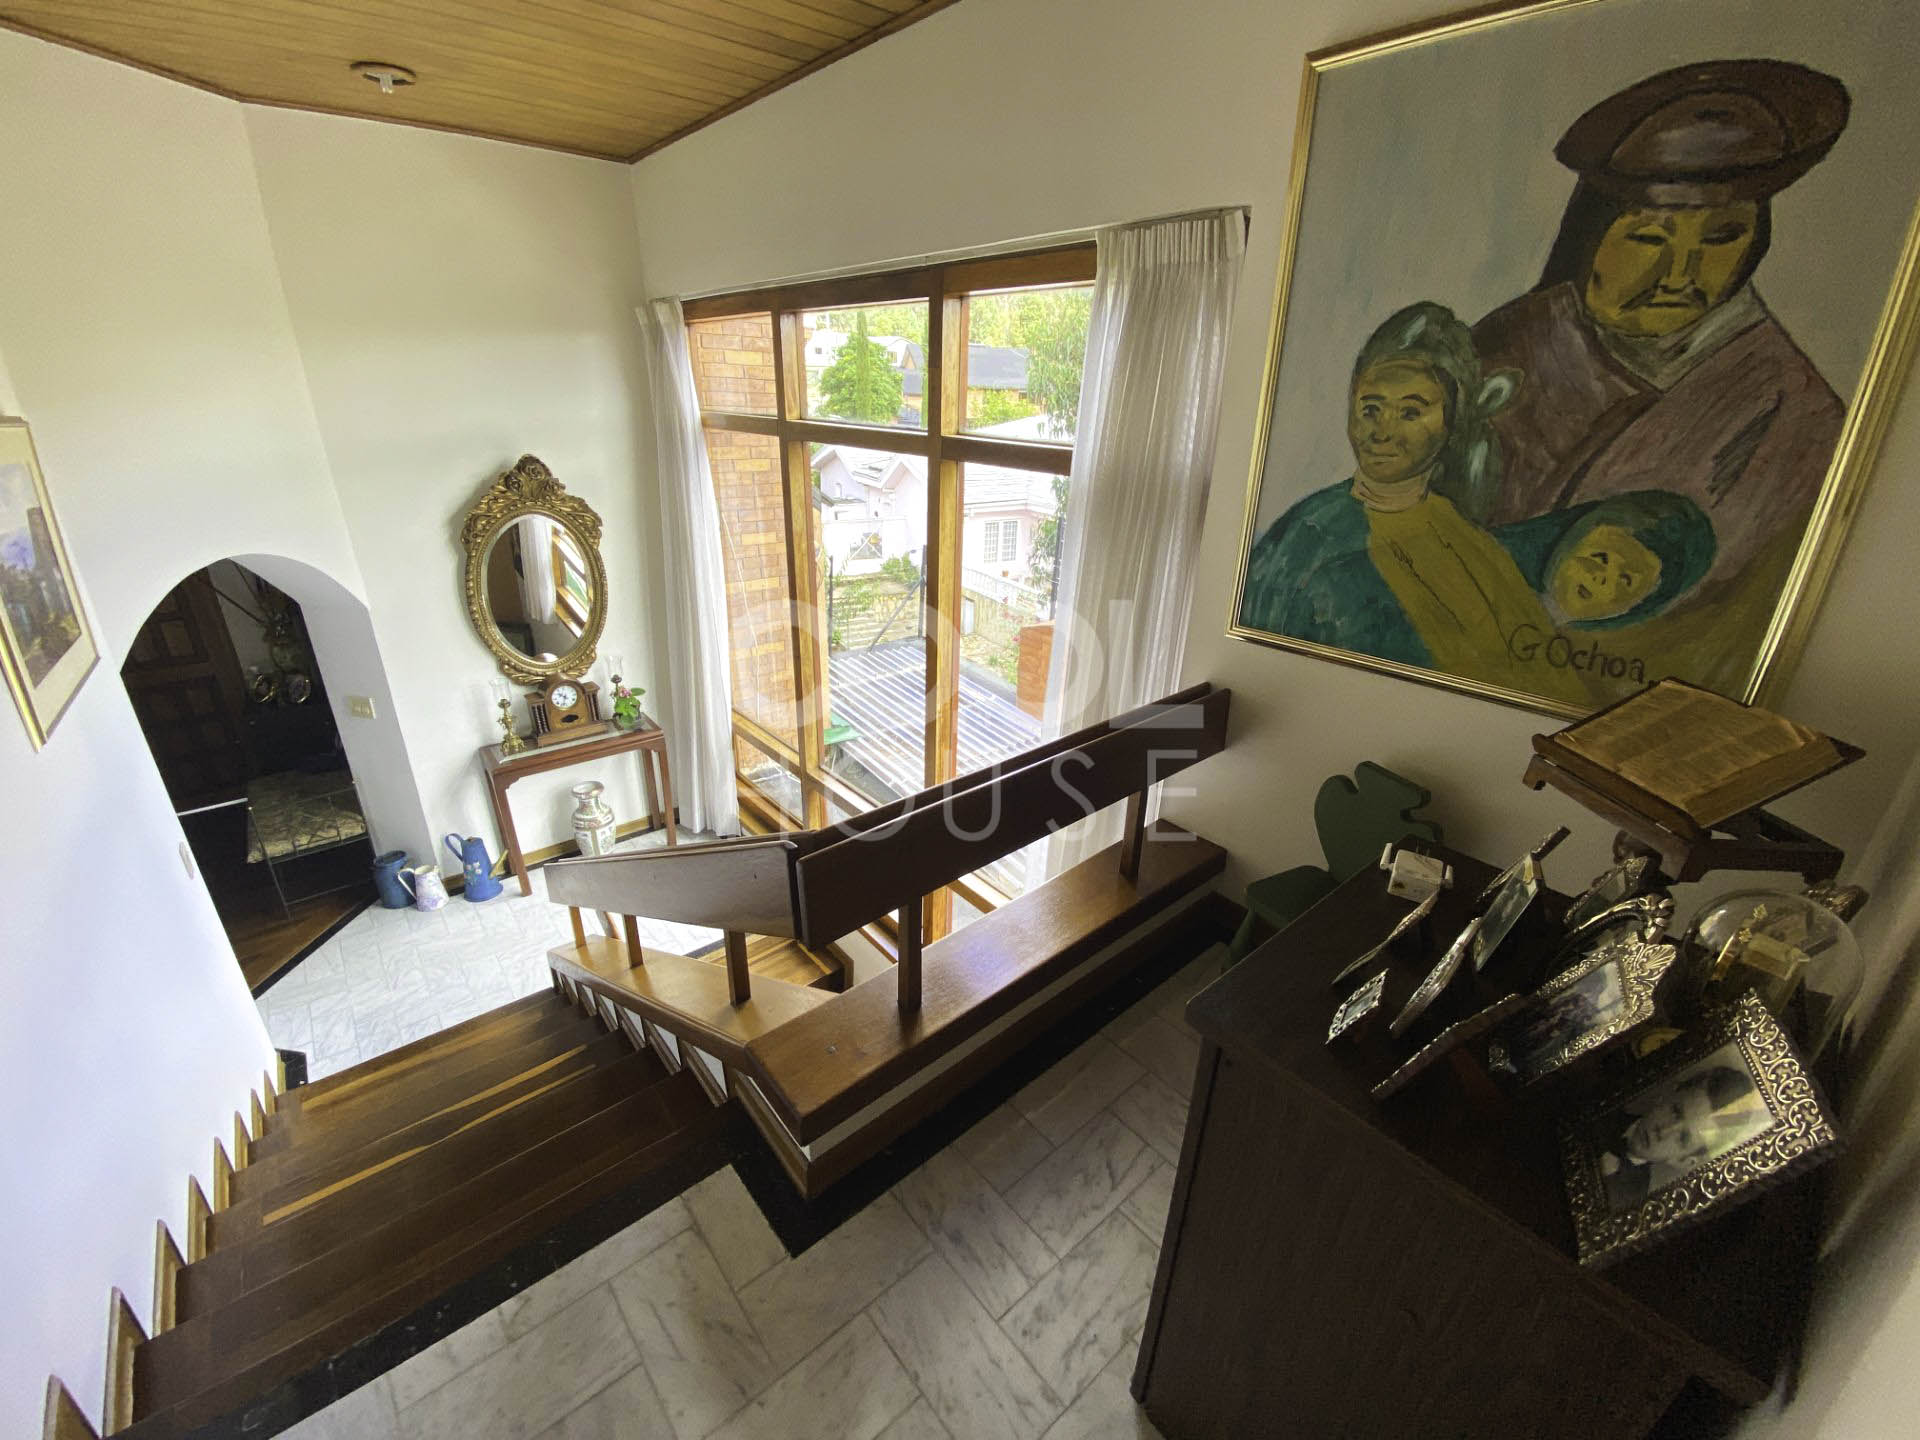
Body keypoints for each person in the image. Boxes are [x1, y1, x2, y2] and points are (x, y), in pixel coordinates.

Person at [1474, 59, 1851, 649]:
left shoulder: (1792, 413)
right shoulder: (1510, 341)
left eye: (1722, 238)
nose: (1680, 274)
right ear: (1592, 233)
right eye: (1649, 237)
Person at [1240, 303, 1592, 704]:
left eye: (1410, 412)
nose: (1382, 432)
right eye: (1371, 409)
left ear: (1451, 421)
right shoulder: (1309, 538)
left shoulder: (1460, 532)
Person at [1596, 1058, 1763, 1212]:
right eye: (1675, 1112)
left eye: (1683, 1138)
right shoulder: (1603, 1096)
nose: (1663, 1131)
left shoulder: (1631, 1202)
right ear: (1666, 1096)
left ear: (1682, 1160)